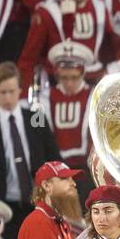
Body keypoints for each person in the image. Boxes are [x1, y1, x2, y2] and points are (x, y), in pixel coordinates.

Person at [0, 62, 63, 239]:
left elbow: (52, 156)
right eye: (2, 92)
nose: (8, 97)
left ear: (20, 89)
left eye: (12, 91)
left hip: (37, 201)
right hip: (3, 204)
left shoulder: (35, 118)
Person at [16, 0, 112, 87]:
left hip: (93, 81)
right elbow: (29, 58)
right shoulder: (48, 11)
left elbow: (110, 50)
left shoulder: (100, 7)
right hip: (56, 82)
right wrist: (22, 96)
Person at [44, 41, 93, 174]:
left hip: (86, 167)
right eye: (64, 78)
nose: (69, 83)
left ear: (83, 74)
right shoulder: (45, 97)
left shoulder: (94, 95)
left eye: (74, 77)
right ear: (57, 75)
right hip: (55, 166)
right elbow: (37, 130)